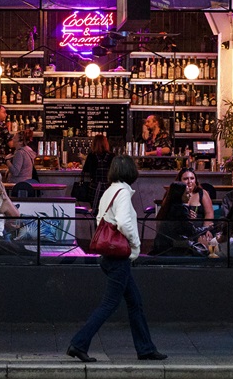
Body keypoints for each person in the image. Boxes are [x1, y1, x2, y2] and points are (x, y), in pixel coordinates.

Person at [66, 154, 165, 363]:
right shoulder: (122, 193)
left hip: (109, 256)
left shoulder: (110, 191)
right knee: (109, 304)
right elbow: (123, 223)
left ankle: (146, 348)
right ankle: (79, 343)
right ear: (130, 171)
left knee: (135, 302)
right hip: (118, 257)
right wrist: (136, 247)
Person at [80, 135, 114, 200]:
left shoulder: (91, 156)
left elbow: (86, 170)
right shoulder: (111, 156)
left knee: (94, 207)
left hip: (94, 187)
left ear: (94, 144)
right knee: (108, 208)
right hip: (108, 187)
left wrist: (82, 160)